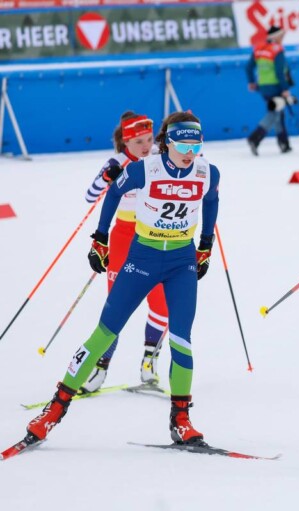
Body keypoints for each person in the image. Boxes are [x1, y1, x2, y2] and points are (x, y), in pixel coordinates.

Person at [24, 111, 220, 447]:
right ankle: (55, 409)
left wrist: (205, 245)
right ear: (168, 141)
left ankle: (181, 418)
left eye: (196, 143)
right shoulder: (146, 168)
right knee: (104, 332)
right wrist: (100, 238)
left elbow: (212, 200)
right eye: (183, 143)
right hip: (142, 257)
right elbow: (113, 194)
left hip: (181, 261)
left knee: (182, 339)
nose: (190, 151)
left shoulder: (207, 172)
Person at [80, 111, 169, 393]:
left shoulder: (158, 156)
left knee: (161, 304)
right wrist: (107, 177)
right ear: (126, 142)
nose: (146, 146)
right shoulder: (117, 162)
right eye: (139, 141)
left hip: (153, 237)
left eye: (149, 140)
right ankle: (99, 369)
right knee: (117, 305)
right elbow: (90, 195)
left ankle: (148, 363)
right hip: (122, 238)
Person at [246, 25, 294, 155]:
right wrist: (285, 89)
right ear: (277, 36)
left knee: (278, 113)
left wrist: (251, 81)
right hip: (276, 87)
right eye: (282, 36)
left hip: (263, 87)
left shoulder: (259, 48)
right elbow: (280, 72)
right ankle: (254, 138)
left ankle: (284, 144)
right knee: (275, 114)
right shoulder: (277, 50)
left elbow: (249, 66)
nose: (283, 38)